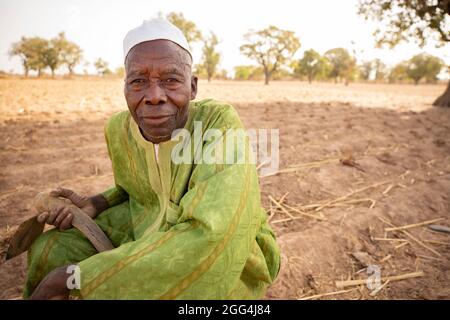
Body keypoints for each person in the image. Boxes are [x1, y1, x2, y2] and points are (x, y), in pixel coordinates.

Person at [25, 19, 280, 300]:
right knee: (52, 248)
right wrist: (97, 203)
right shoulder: (119, 129)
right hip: (144, 226)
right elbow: (136, 188)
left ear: (192, 87)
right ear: (125, 88)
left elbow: (212, 233)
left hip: (224, 244)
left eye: (170, 80)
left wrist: (76, 278)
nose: (154, 96)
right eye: (138, 81)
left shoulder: (218, 123)